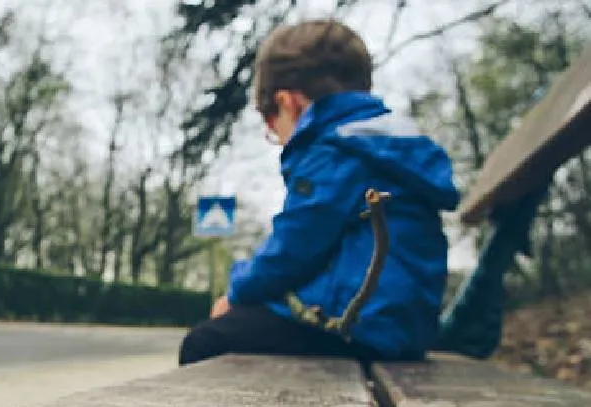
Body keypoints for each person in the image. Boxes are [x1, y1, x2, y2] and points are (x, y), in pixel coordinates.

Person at [179, 19, 460, 366]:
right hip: (399, 330)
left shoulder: (335, 150)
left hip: (354, 328)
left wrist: (235, 292)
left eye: (272, 125)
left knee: (206, 342)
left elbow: (293, 249)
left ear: (289, 103)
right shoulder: (387, 145)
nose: (279, 139)